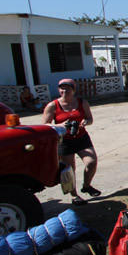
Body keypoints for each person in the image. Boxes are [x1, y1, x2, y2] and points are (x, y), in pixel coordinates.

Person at [42, 78, 99, 206]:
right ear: (58, 90)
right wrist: (61, 125)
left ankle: (86, 186)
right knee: (69, 170)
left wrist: (86, 122)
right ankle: (74, 196)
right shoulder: (53, 105)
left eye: (68, 89)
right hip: (64, 141)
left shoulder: (82, 102)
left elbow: (89, 119)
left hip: (81, 138)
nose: (64, 91)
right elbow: (45, 125)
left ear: (73, 90)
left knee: (91, 162)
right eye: (62, 89)